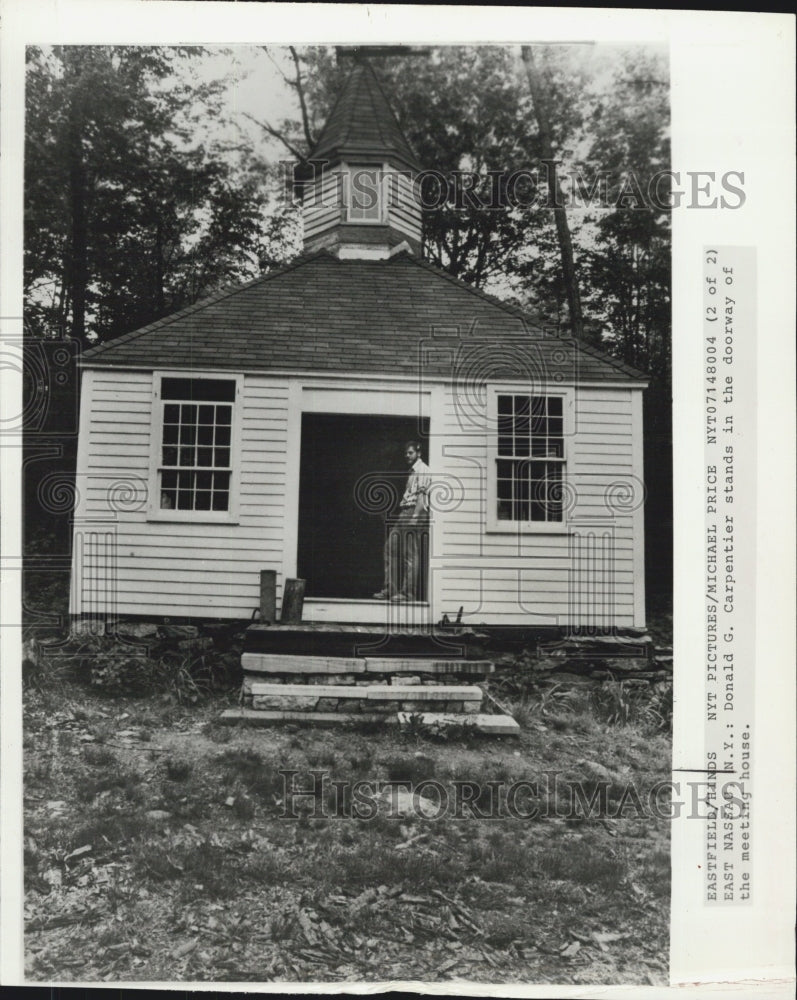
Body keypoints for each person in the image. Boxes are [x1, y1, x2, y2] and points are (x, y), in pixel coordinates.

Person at [373, 440, 431, 602]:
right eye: (406, 453)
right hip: (404, 512)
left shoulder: (423, 470)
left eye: (410, 452)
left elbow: (422, 496)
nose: (407, 455)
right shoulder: (412, 471)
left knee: (410, 554)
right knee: (390, 548)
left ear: (419, 453)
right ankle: (390, 589)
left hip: (414, 512)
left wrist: (415, 517)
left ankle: (408, 593)